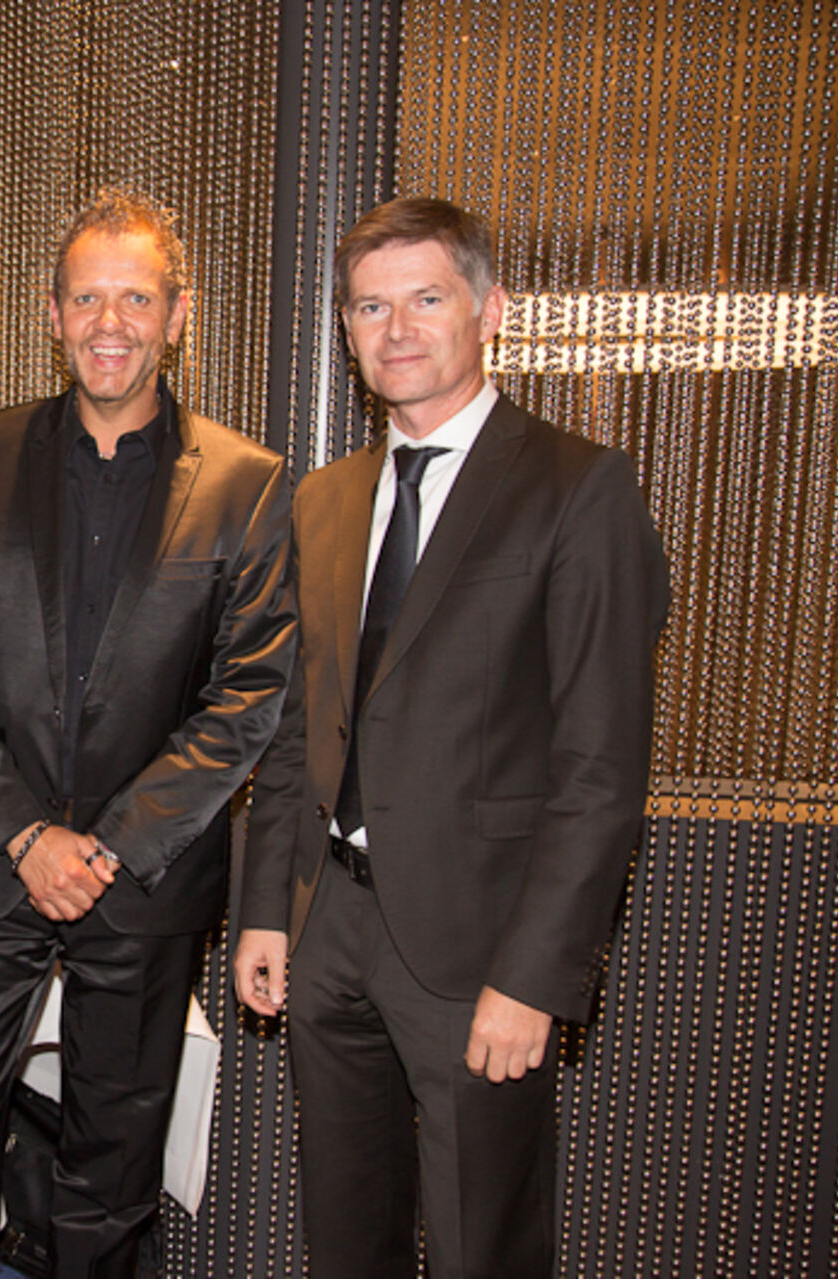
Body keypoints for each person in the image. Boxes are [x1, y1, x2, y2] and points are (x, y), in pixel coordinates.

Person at [233, 197, 670, 1279]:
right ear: (346, 330)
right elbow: (298, 726)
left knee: (484, 1246)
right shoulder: (324, 499)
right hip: (329, 930)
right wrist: (267, 910)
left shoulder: (578, 489)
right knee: (346, 1239)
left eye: (426, 298)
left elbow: (601, 769)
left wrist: (536, 975)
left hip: (481, 952)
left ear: (491, 309)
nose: (397, 329)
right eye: (370, 307)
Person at [0, 188, 296, 1278]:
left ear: (179, 314)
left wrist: (112, 844)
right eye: (86, 297)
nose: (109, 321)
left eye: (136, 297)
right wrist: (28, 835)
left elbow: (248, 692)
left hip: (144, 882)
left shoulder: (247, 484)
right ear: (52, 312)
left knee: (112, 1174)